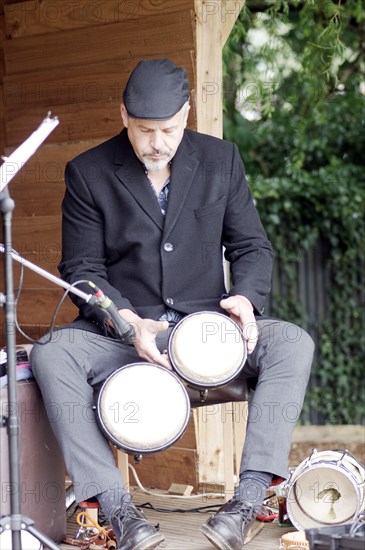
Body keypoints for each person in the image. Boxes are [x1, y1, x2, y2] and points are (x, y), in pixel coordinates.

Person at [30, 59, 314, 550]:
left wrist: (245, 300)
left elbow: (251, 247)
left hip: (211, 332)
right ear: (123, 116)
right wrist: (128, 324)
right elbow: (82, 270)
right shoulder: (87, 172)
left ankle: (246, 501)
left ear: (187, 115)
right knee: (50, 352)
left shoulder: (221, 159)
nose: (156, 142)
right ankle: (116, 511)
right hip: (127, 335)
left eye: (168, 129)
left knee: (293, 343)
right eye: (144, 131)